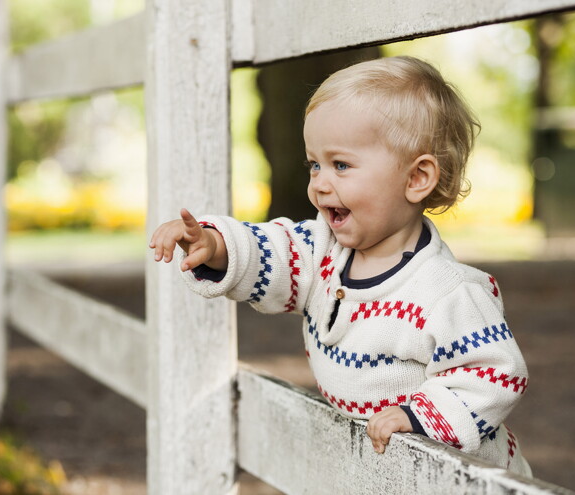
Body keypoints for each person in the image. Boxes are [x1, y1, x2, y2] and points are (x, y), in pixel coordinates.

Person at [149, 56, 531, 475]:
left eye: (341, 165)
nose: (319, 183)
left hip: (461, 476)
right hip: (381, 466)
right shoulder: (323, 251)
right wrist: (216, 245)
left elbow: (494, 373)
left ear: (417, 178)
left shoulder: (446, 291)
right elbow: (274, 251)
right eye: (314, 164)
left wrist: (418, 415)